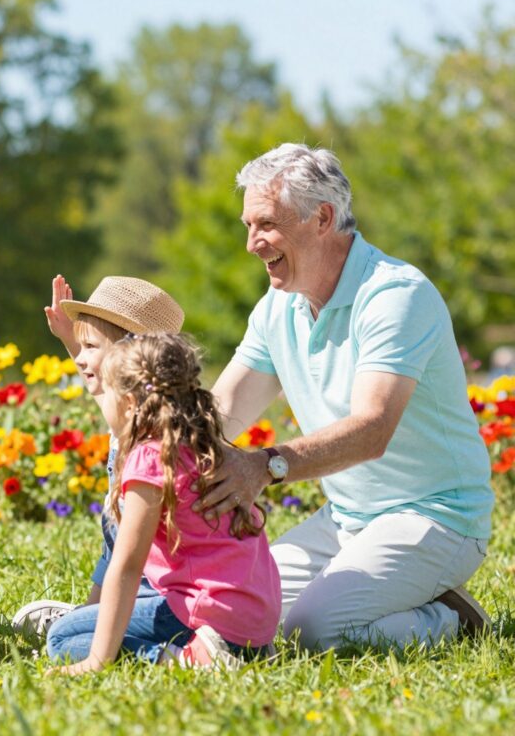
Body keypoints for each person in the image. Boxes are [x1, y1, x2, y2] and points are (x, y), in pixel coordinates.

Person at [197, 143, 494, 651]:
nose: (252, 243)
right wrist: (149, 443)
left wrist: (264, 466)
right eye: (248, 225)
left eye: (265, 224)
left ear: (322, 219)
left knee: (309, 632)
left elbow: (372, 429)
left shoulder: (396, 296)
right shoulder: (278, 306)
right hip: (346, 520)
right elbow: (221, 413)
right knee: (241, 609)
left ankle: (446, 619)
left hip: (434, 517)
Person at [46, 333, 280, 674]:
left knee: (63, 638)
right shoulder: (203, 446)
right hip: (254, 617)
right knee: (90, 623)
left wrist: (97, 661)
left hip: (209, 611)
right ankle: (237, 651)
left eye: (106, 393)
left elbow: (126, 567)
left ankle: (186, 660)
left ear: (128, 403)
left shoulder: (150, 458)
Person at [11, 276, 184, 637]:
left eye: (90, 345)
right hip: (146, 591)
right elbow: (114, 548)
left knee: (64, 641)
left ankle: (172, 652)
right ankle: (88, 615)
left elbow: (127, 560)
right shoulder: (135, 417)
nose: (81, 358)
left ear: (129, 357)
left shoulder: (151, 445)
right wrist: (69, 339)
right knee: (113, 528)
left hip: (165, 597)